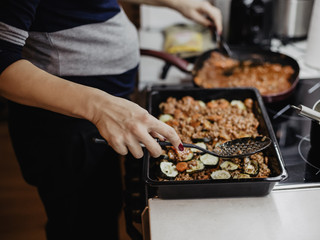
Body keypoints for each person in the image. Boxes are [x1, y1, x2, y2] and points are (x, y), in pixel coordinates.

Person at [0, 0, 222, 239]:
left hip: (101, 121)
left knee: (103, 210)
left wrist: (175, 2)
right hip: (63, 127)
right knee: (81, 225)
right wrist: (100, 108)